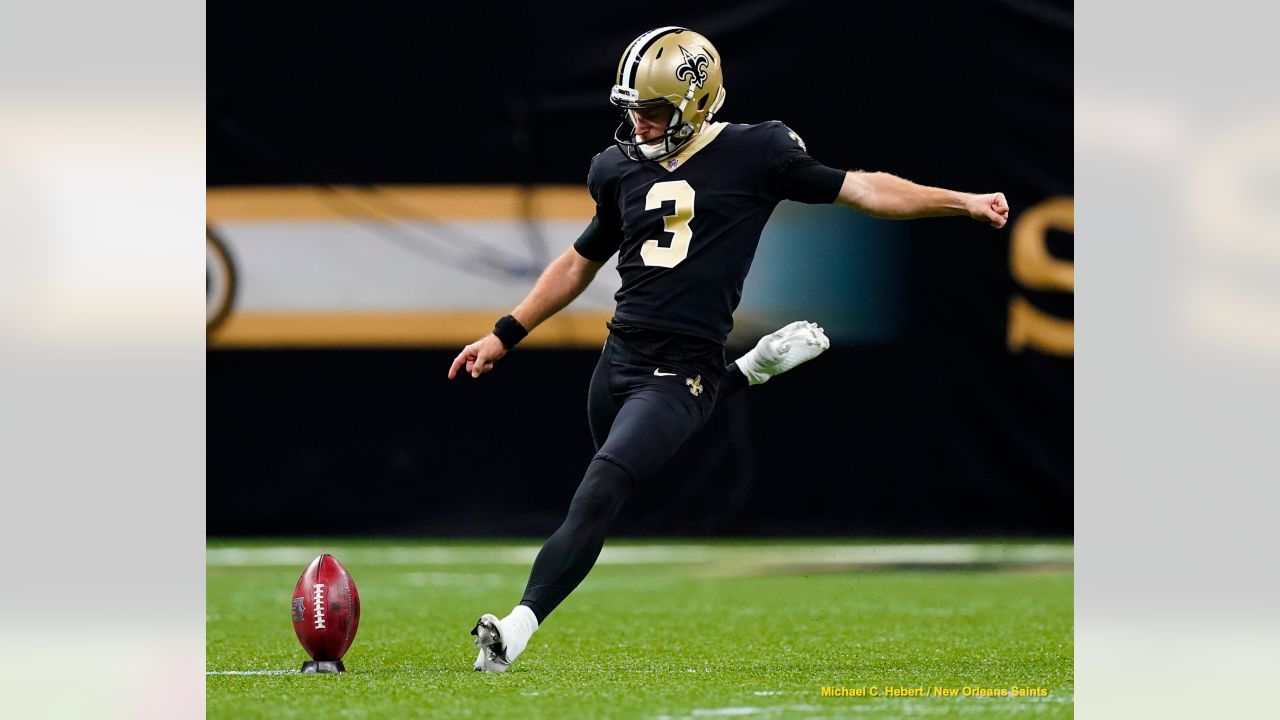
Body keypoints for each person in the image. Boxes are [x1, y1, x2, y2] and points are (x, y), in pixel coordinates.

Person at [447, 26, 1010, 673]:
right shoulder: (616, 167)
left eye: (654, 111)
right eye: (632, 109)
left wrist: (961, 202)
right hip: (617, 360)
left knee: (601, 486)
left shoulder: (756, 152)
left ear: (696, 104)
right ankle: (746, 371)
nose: (640, 124)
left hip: (679, 368)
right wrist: (504, 333)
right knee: (611, 482)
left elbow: (865, 188)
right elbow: (578, 263)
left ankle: (514, 630)